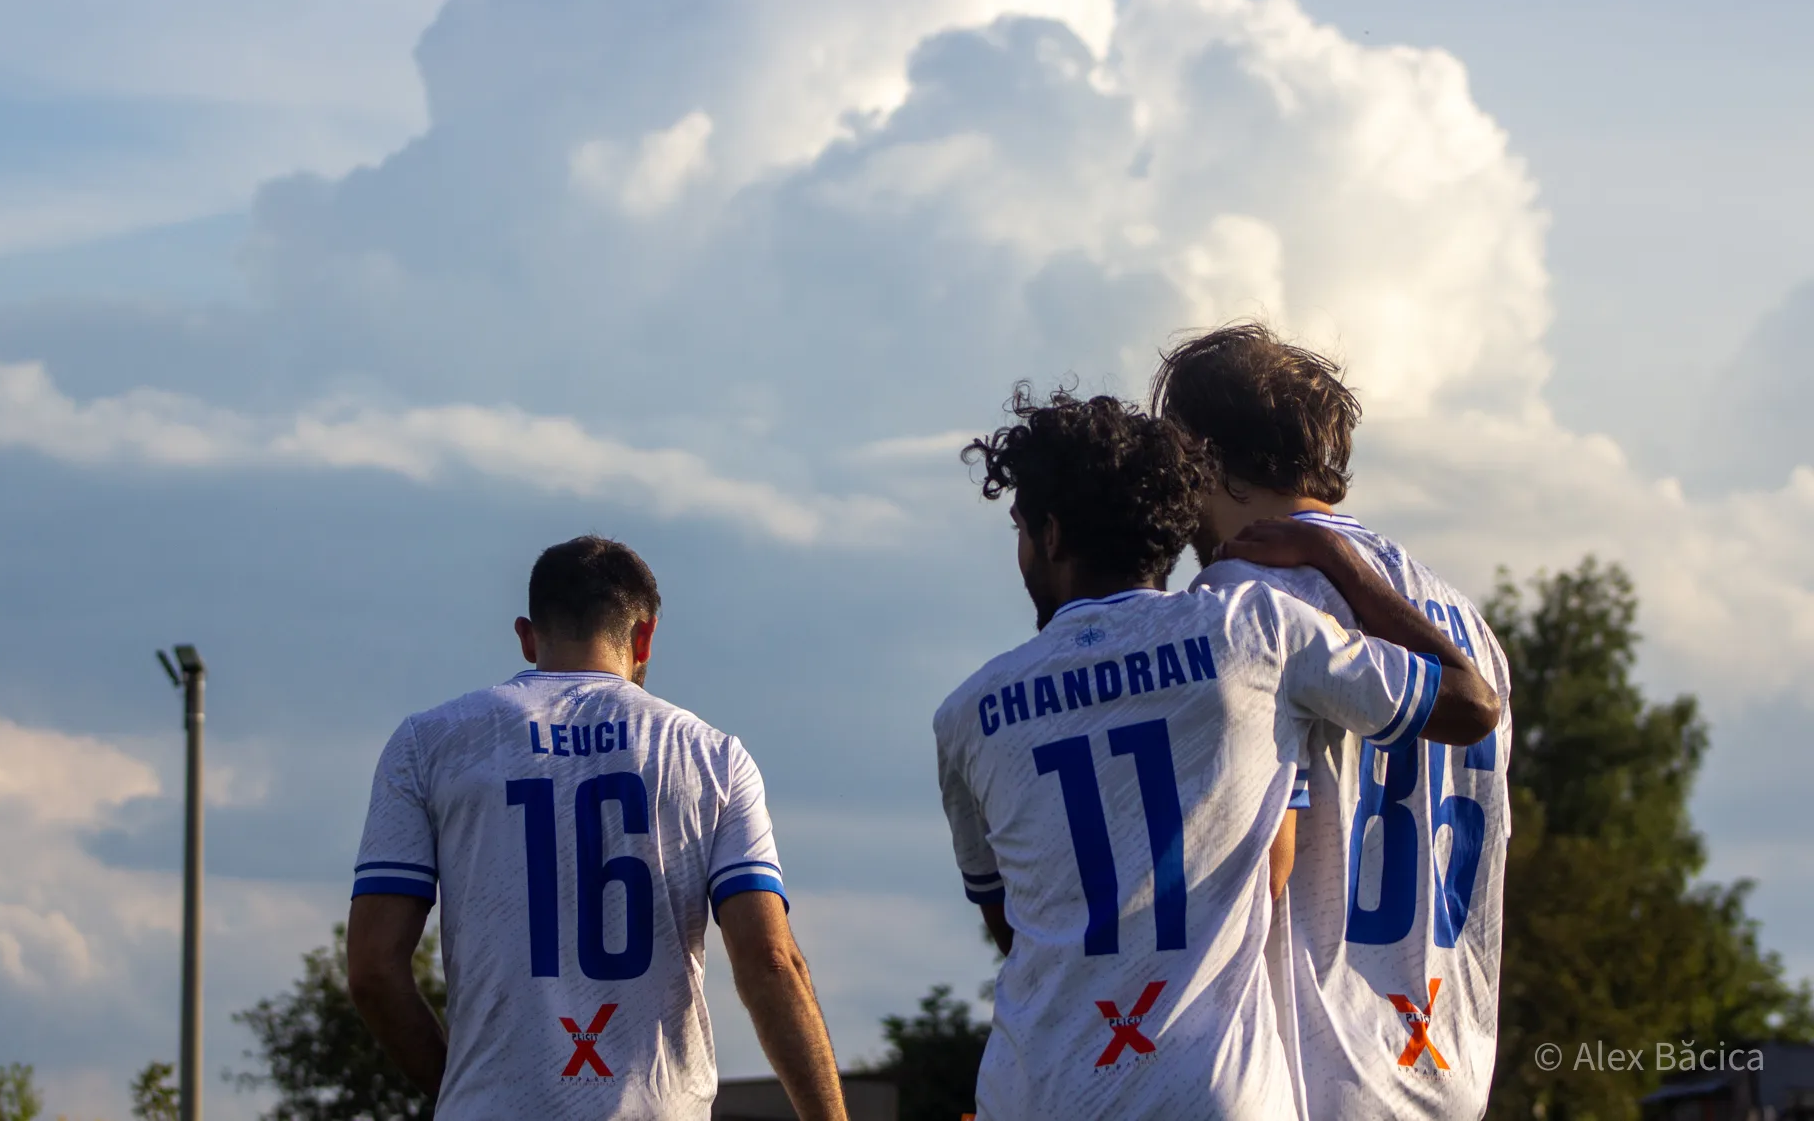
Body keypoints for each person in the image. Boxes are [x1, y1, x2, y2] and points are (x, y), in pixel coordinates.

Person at [936, 386, 1500, 1121]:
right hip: (1215, 1088)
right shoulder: (1253, 631)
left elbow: (1012, 922)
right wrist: (1335, 558)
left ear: (1048, 533)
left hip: (1037, 1086)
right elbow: (1469, 702)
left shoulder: (967, 711)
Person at [345, 535, 849, 1121]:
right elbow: (769, 961)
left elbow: (373, 968)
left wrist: (459, 1092)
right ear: (645, 638)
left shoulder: (429, 744)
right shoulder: (711, 755)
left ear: (527, 635)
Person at [1153, 322, 1514, 1120]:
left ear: (1199, 455)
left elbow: (1256, 867)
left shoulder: (1240, 605)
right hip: (1448, 1065)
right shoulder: (1464, 621)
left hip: (1312, 1069)